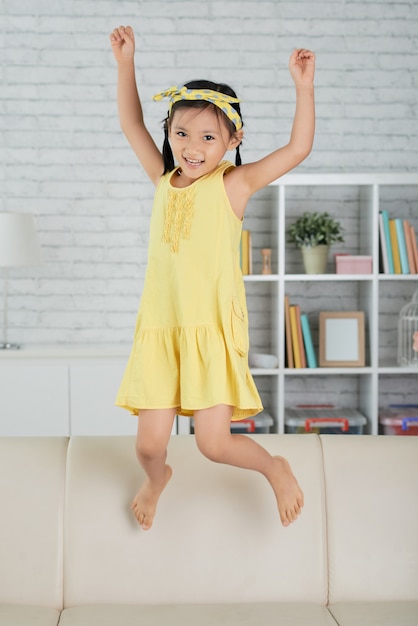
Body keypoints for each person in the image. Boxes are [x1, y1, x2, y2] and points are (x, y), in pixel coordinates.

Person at [110, 25, 315, 531]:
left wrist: (303, 88)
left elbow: (297, 149)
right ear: (169, 135)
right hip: (162, 328)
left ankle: (273, 466)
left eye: (208, 137)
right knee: (149, 444)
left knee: (213, 442)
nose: (192, 147)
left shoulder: (235, 184)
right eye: (181, 134)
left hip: (209, 329)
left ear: (233, 139)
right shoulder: (162, 180)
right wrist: (125, 63)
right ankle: (157, 480)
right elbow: (130, 123)